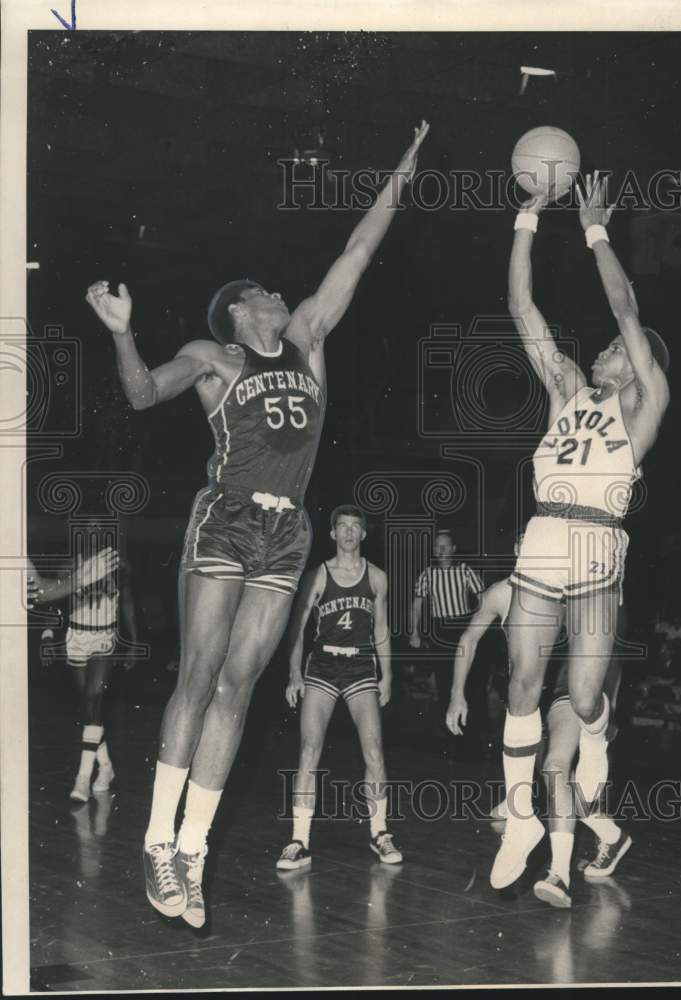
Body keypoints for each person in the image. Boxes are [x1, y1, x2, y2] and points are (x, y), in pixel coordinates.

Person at [85, 121, 429, 928]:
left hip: (288, 532)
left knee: (239, 689)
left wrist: (402, 172)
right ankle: (153, 840)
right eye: (265, 291)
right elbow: (140, 396)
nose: (281, 293)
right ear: (242, 310)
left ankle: (192, 853)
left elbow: (355, 250)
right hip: (227, 519)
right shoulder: (215, 357)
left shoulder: (307, 341)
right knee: (199, 676)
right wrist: (122, 333)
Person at [492, 170, 670, 891]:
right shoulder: (567, 389)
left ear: (640, 366)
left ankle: (593, 741)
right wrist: (526, 221)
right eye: (601, 347)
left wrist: (594, 229)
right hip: (543, 537)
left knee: (587, 697)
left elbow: (625, 306)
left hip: (598, 542)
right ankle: (520, 817)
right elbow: (518, 306)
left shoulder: (643, 406)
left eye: (616, 349)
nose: (603, 350)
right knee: (521, 684)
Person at [445, 555, 631, 907]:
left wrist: (607, 701)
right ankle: (612, 835)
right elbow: (469, 639)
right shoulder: (500, 594)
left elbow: (609, 641)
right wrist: (457, 694)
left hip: (568, 685)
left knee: (555, 769)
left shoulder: (575, 588)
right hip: (530, 698)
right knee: (550, 789)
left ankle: (558, 873)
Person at [278, 505, 401, 870]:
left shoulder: (377, 577)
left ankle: (380, 833)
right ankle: (299, 840)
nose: (349, 532)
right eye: (342, 526)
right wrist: (294, 674)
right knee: (309, 749)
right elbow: (298, 626)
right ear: (333, 534)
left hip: (361, 666)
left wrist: (388, 675)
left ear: (363, 534)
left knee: (374, 749)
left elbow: (381, 630)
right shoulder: (319, 575)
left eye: (355, 527)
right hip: (322, 665)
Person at [28, 542, 137, 800]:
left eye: (97, 526)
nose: (92, 532)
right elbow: (52, 601)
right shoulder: (70, 565)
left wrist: (133, 642)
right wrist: (46, 635)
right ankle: (107, 768)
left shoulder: (118, 565)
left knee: (94, 694)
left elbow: (128, 603)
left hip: (104, 638)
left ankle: (83, 777)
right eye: (87, 526)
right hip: (76, 637)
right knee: (90, 709)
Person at [408, 529, 485, 750]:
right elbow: (416, 606)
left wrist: (482, 627)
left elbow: (483, 599)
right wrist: (414, 632)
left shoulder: (464, 571)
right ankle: (451, 737)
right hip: (439, 631)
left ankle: (473, 735)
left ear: (453, 549)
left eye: (444, 546)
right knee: (443, 682)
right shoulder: (427, 574)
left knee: (470, 681)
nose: (440, 551)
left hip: (462, 628)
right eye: (436, 547)